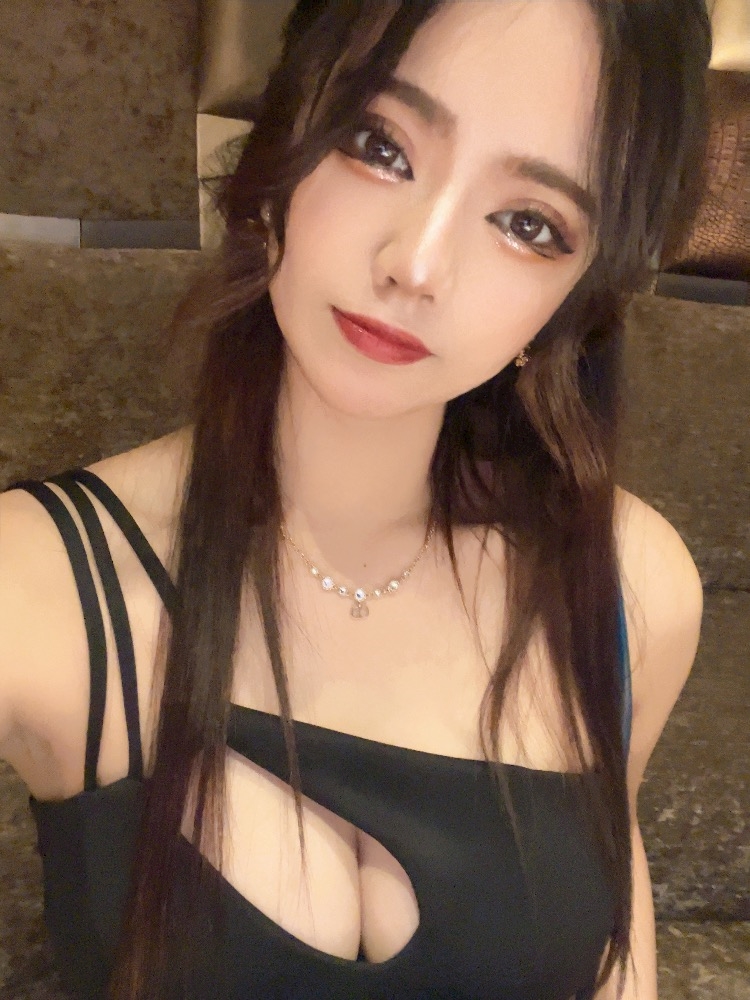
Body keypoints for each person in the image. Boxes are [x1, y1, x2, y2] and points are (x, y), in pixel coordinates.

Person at [0, 1, 712, 998]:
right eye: (380, 145)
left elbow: (617, 961)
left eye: (529, 224)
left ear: (575, 298)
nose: (416, 264)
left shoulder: (630, 582)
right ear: (289, 133)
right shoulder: (36, 585)